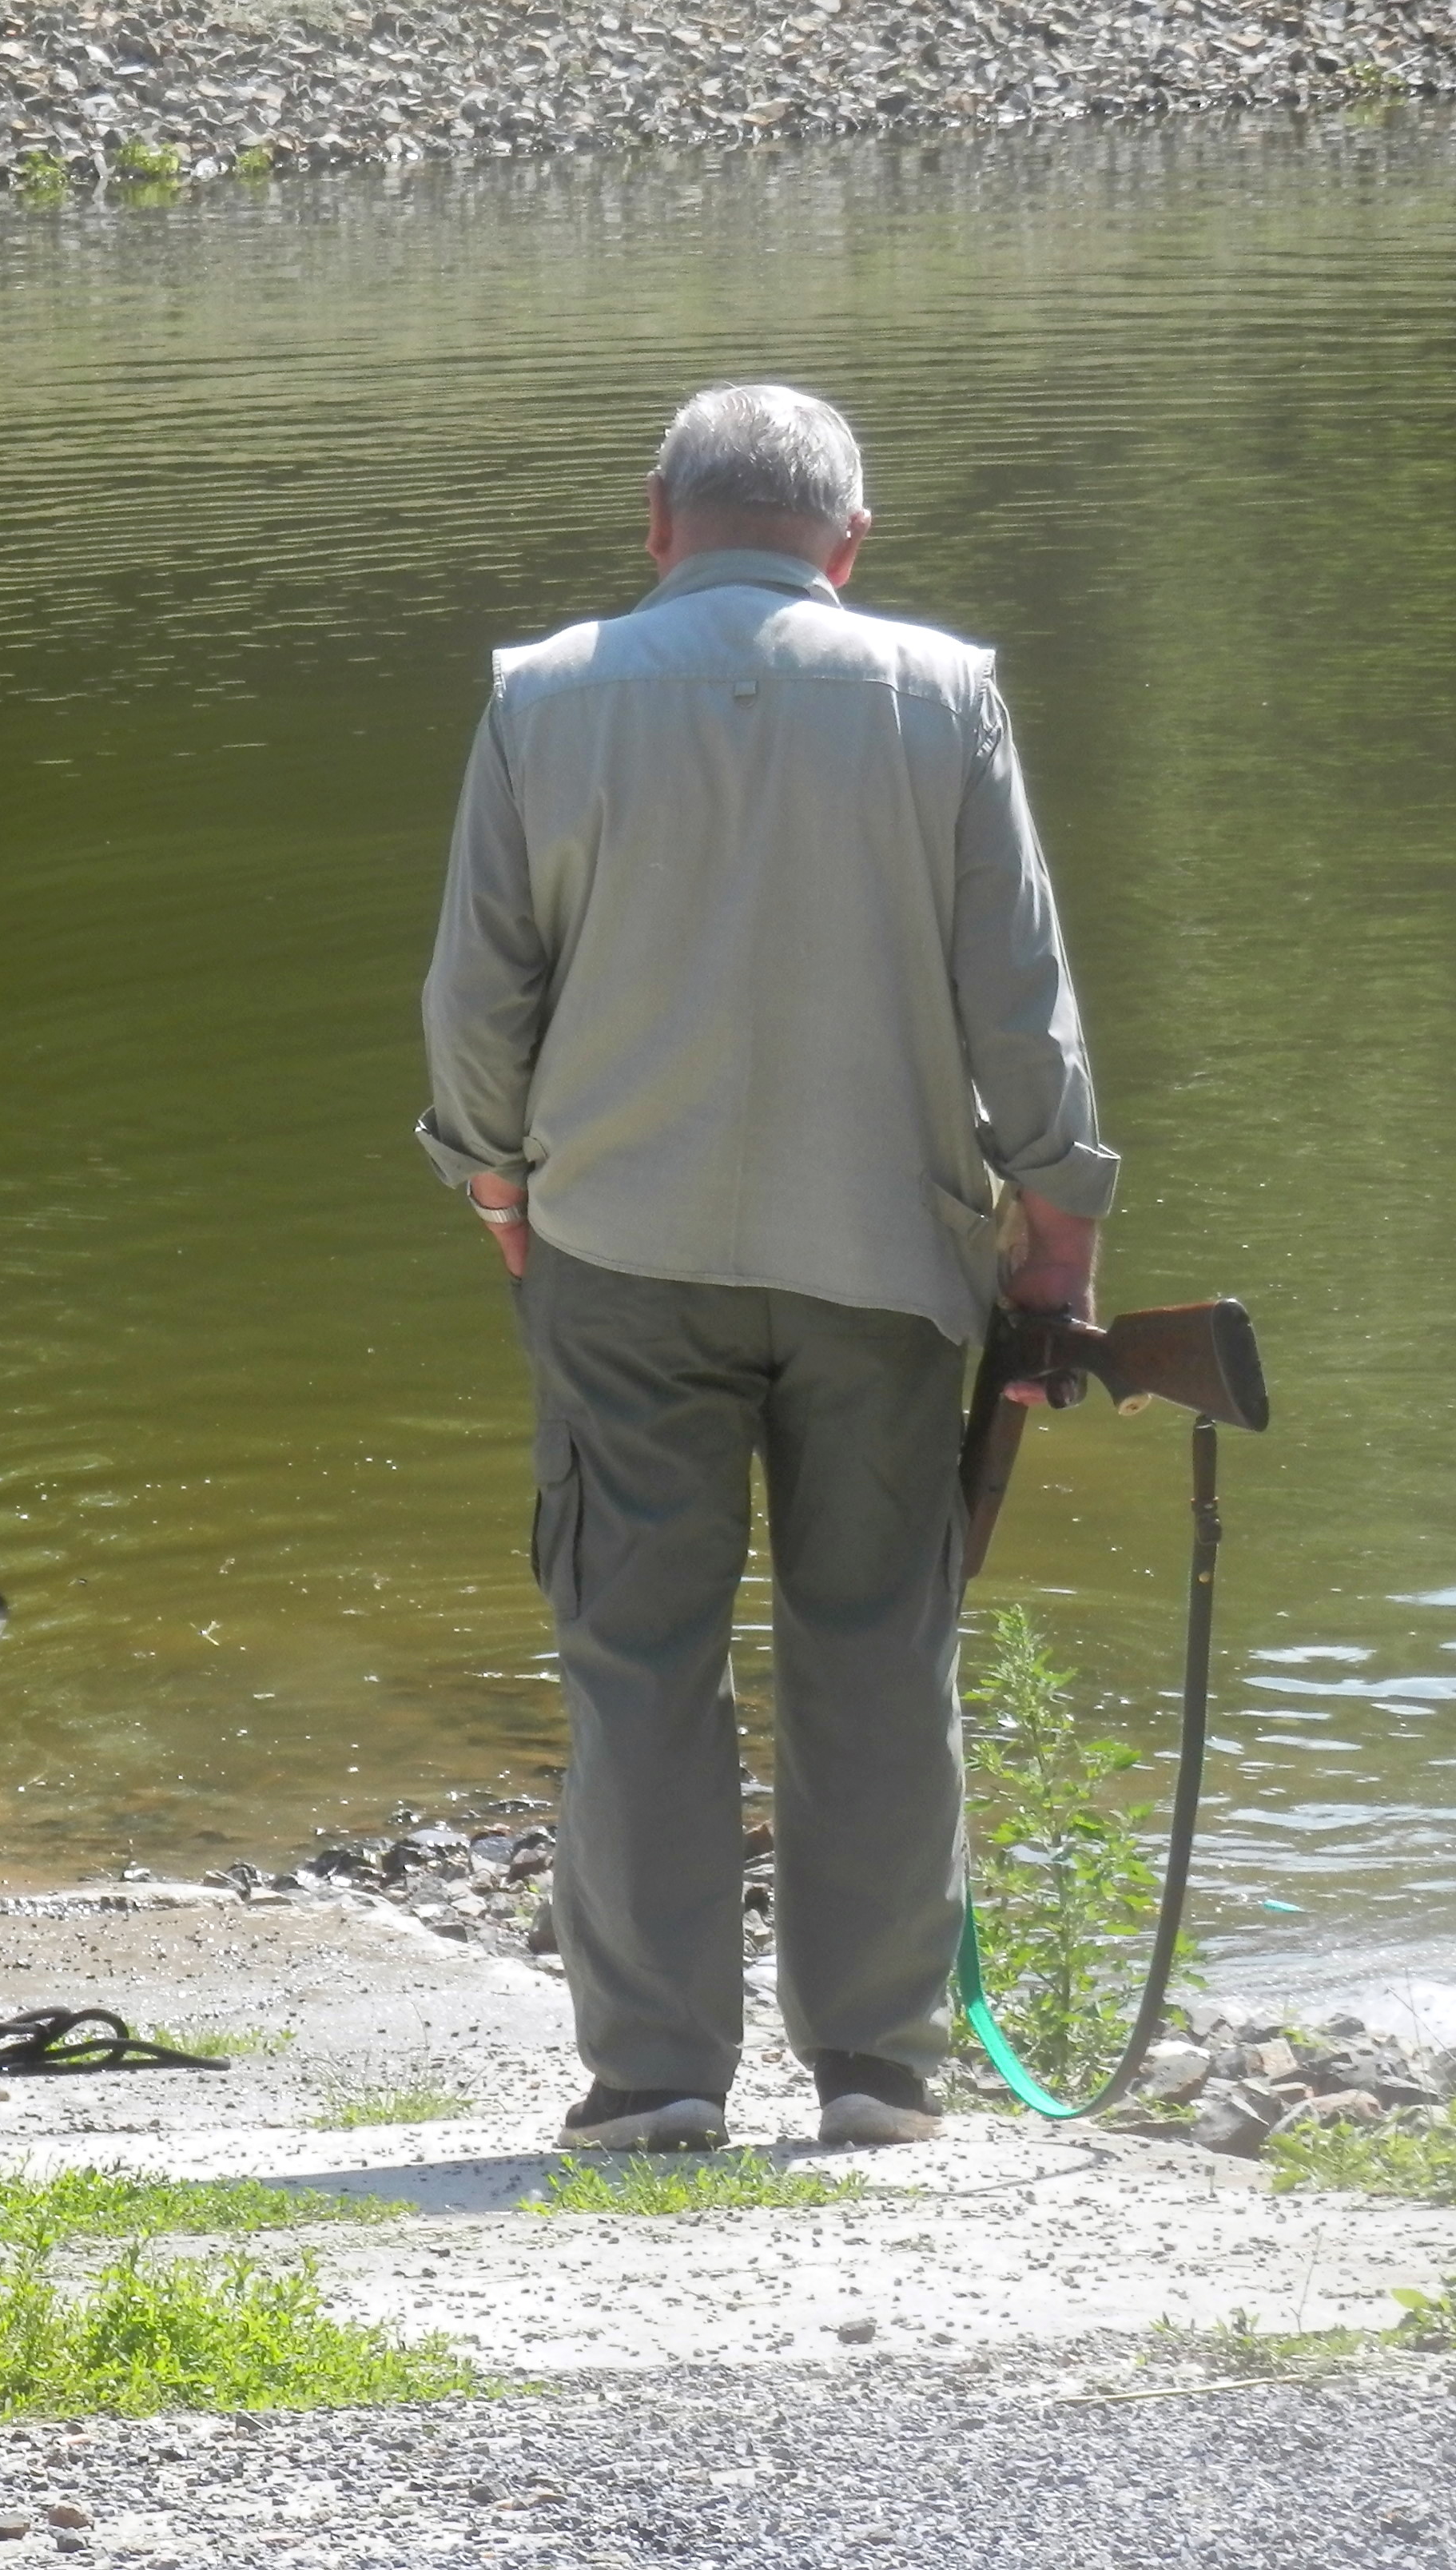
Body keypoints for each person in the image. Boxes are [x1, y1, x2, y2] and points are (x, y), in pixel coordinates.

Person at [417, 384, 1116, 2155]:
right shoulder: (941, 692)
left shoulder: (541, 693)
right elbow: (1014, 1001)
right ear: (848, 543)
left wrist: (493, 1186)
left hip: (614, 1249)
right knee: (876, 1650)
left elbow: (475, 995)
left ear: (653, 519)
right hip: (881, 1251)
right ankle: (876, 2073)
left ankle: (652, 2080)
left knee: (634, 1654)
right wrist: (1057, 1221)